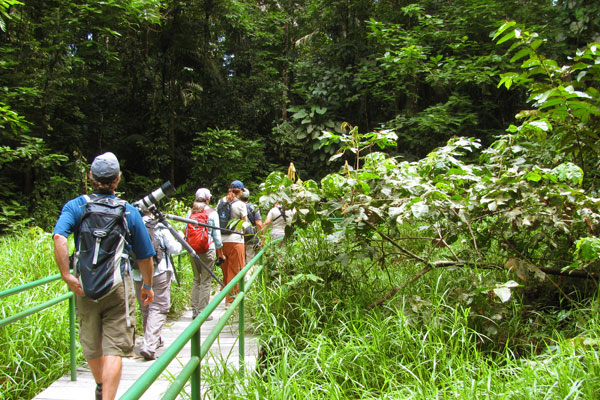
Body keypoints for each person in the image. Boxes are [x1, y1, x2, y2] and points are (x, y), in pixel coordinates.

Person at [53, 152, 155, 400]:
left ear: (91, 176)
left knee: (91, 343)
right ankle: (107, 396)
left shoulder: (76, 206)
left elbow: (59, 238)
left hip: (84, 286)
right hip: (117, 286)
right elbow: (145, 256)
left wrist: (67, 274)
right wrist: (148, 286)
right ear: (118, 179)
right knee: (115, 347)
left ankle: (100, 384)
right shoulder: (129, 212)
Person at [133, 209, 182, 361]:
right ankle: (149, 345)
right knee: (159, 307)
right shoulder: (159, 227)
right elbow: (175, 249)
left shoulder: (131, 227)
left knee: (146, 306)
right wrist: (180, 237)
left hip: (137, 273)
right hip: (158, 271)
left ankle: (155, 339)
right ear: (152, 214)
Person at [188, 188, 224, 320]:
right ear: (208, 199)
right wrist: (220, 252)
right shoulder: (212, 213)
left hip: (192, 250)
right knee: (205, 281)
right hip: (208, 249)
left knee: (196, 279)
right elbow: (217, 237)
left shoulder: (190, 212)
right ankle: (203, 312)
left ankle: (194, 310)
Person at [218, 180, 248, 305]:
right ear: (240, 191)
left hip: (221, 241)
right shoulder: (240, 204)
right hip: (236, 241)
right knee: (235, 271)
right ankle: (231, 300)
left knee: (225, 271)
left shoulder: (220, 202)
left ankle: (225, 295)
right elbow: (245, 224)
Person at [240, 188, 263, 264]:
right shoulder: (253, 207)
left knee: (241, 262)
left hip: (238, 238)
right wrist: (262, 238)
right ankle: (249, 275)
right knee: (250, 262)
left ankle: (244, 275)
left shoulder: (234, 206)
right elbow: (259, 223)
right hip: (251, 238)